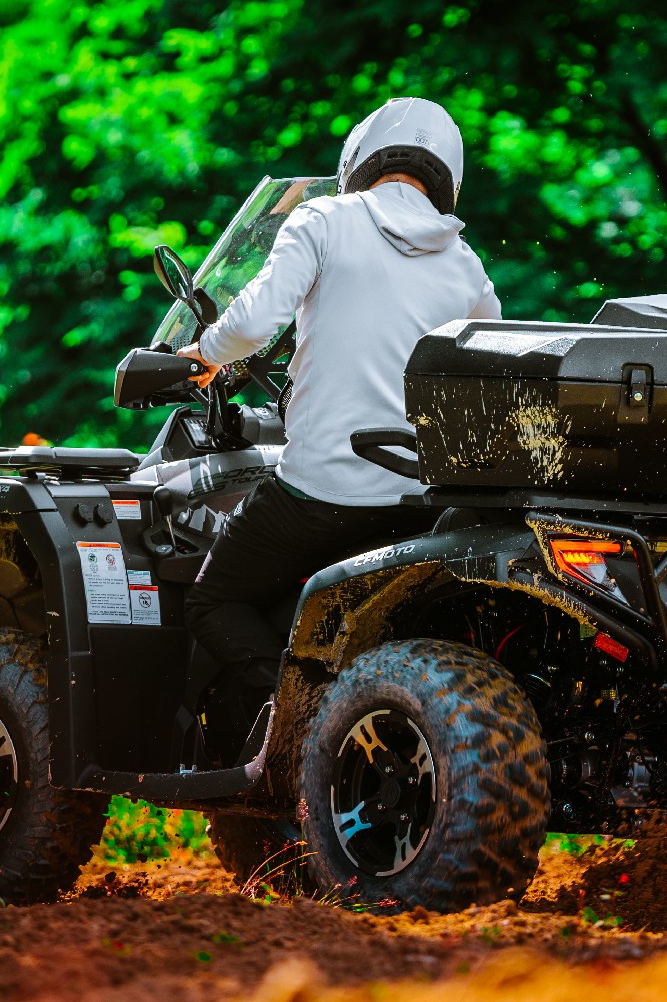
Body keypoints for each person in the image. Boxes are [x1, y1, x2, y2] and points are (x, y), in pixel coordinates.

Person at [177, 97, 501, 748]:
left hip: (320, 492)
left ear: (359, 159)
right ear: (446, 176)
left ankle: (298, 720)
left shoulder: (323, 219)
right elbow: (492, 368)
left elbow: (251, 322)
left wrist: (203, 356)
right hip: (419, 504)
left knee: (211, 600)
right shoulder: (465, 263)